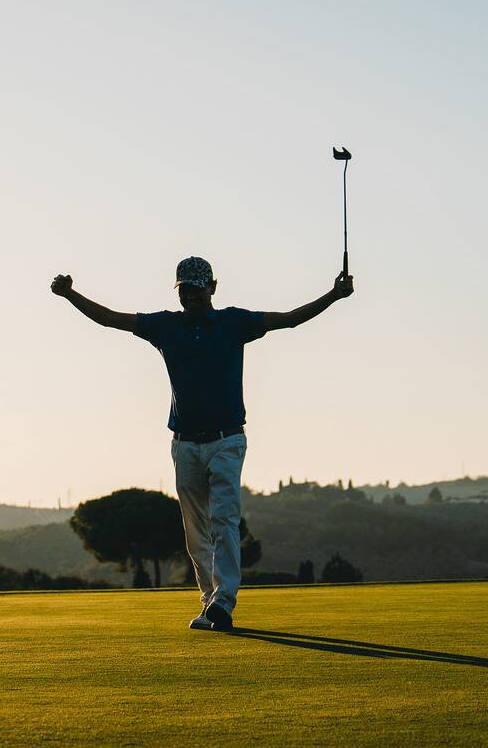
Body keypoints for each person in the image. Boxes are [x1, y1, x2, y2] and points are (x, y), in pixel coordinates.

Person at [51, 257, 353, 632]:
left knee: (224, 519)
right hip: (185, 445)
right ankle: (210, 601)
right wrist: (69, 295)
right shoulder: (165, 326)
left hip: (227, 440)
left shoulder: (234, 322)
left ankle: (224, 602)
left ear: (213, 287)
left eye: (197, 288)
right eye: (185, 290)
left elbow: (290, 318)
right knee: (195, 528)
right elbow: (110, 318)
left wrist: (334, 296)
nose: (191, 296)